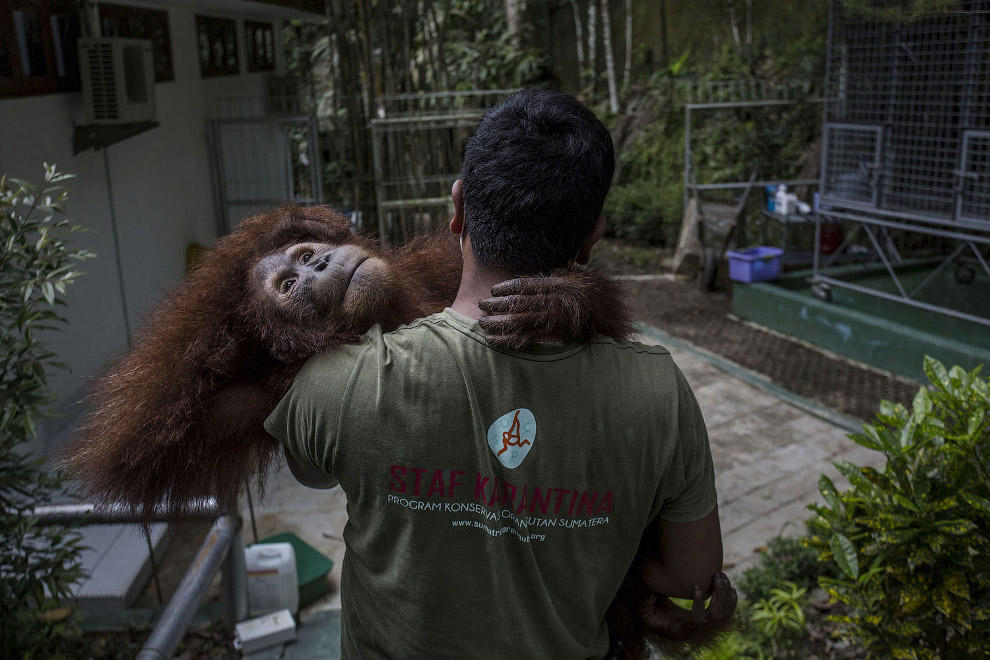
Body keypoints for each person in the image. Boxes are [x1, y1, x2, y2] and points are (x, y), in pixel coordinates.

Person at [264, 89, 729, 660]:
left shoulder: (336, 385)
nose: (315, 271)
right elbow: (692, 577)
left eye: (310, 253)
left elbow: (308, 472)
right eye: (287, 282)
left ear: (456, 205)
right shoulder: (660, 390)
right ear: (593, 236)